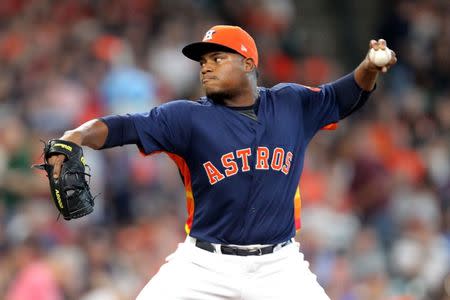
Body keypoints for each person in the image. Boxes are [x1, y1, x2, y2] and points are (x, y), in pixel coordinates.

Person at [47, 25, 396, 299]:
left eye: (217, 58)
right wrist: (75, 135)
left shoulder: (291, 104)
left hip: (279, 264)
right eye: (203, 62)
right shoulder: (187, 117)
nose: (206, 67)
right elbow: (124, 126)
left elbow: (345, 94)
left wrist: (368, 66)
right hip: (203, 263)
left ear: (248, 64)